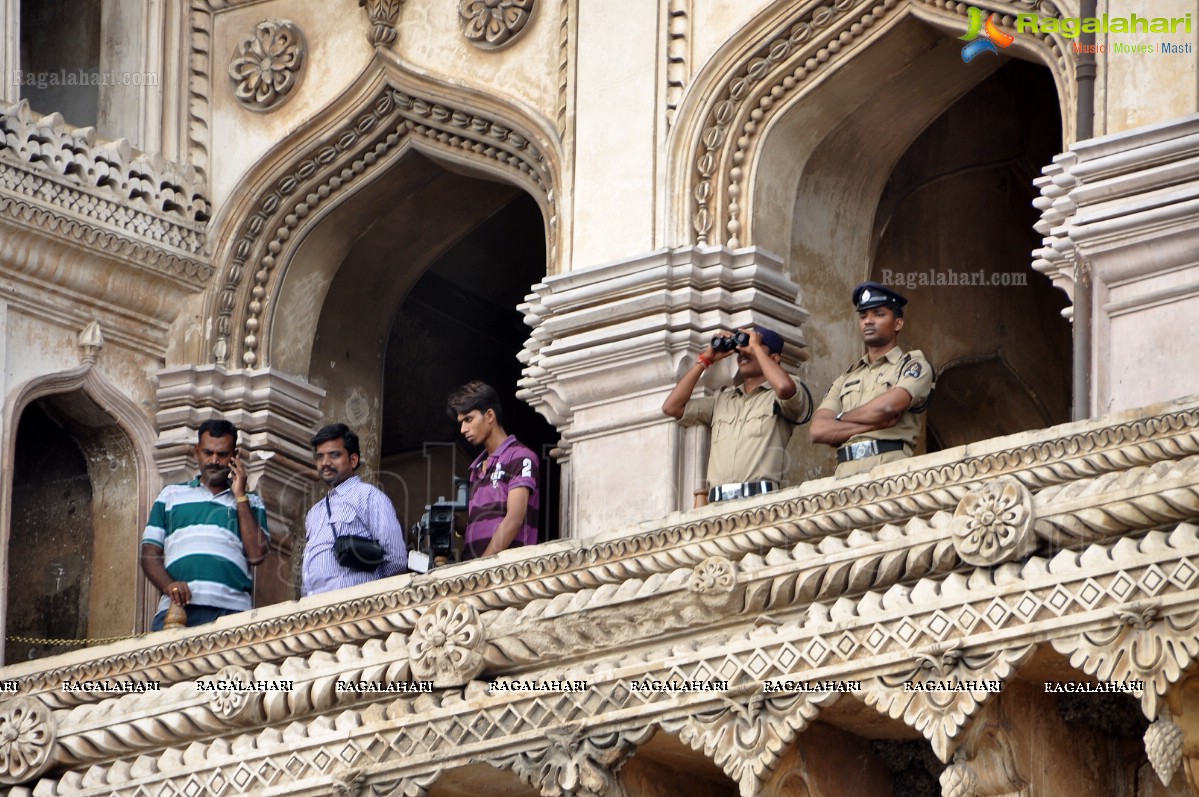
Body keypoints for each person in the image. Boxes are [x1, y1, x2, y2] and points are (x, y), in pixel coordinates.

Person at [141, 419, 269, 630]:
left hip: (233, 614)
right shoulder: (171, 495)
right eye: (208, 453)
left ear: (234, 456)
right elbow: (149, 554)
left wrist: (240, 496)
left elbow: (256, 555)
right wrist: (169, 586)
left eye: (222, 454)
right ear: (196, 452)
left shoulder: (251, 502)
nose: (214, 460)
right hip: (175, 612)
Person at [662, 326, 813, 503]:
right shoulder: (722, 400)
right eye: (741, 348)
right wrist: (705, 360)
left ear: (774, 358)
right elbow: (672, 407)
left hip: (760, 502)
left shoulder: (779, 395)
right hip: (716, 506)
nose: (742, 352)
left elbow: (784, 388)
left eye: (750, 346)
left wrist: (755, 348)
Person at [810, 282, 935, 477]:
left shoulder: (912, 366)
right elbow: (818, 430)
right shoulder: (845, 379)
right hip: (844, 474)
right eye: (863, 316)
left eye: (878, 314)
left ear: (898, 323)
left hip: (889, 470)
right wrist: (874, 424)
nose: (868, 321)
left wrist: (840, 418)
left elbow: (887, 408)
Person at [302, 423, 408, 596]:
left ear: (353, 460)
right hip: (316, 612)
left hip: (356, 611)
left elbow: (396, 560)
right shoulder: (315, 512)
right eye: (320, 457)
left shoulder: (369, 496)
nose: (325, 463)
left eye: (334, 455)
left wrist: (370, 597)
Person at [447, 381, 540, 560]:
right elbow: (487, 527)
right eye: (461, 422)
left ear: (490, 415)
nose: (463, 429)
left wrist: (483, 565)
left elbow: (514, 519)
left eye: (468, 419)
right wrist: (458, 524)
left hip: (509, 572)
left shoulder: (521, 457)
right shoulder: (477, 469)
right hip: (476, 577)